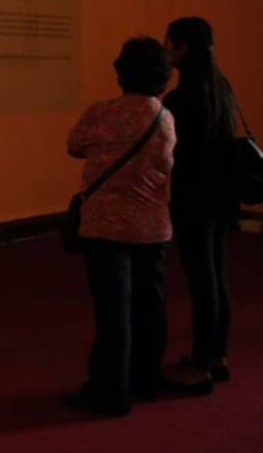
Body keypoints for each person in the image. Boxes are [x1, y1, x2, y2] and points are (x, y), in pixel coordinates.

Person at [65, 37, 176, 416]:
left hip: (105, 227)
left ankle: (110, 392)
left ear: (120, 72)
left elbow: (74, 145)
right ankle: (146, 379)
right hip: (152, 226)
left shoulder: (101, 112)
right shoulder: (164, 116)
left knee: (114, 312)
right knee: (150, 305)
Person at [162, 17, 239, 392]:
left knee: (201, 279)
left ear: (183, 48)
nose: (166, 50)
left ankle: (200, 361)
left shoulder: (181, 98)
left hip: (193, 196)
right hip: (221, 194)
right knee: (216, 275)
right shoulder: (221, 87)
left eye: (169, 43)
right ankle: (217, 355)